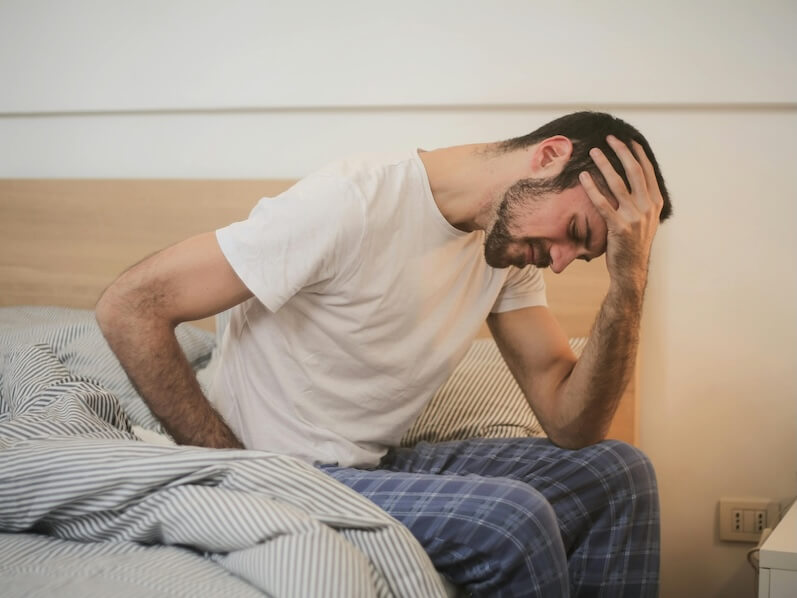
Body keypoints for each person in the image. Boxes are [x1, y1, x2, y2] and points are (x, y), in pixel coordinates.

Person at [97, 111, 672, 597]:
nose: (563, 259)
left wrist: (628, 280)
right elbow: (130, 306)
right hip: (284, 469)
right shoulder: (351, 202)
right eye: (574, 229)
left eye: (585, 253)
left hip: (370, 467)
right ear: (549, 155)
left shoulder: (506, 252)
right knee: (513, 521)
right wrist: (235, 467)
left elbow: (571, 423)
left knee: (619, 472)